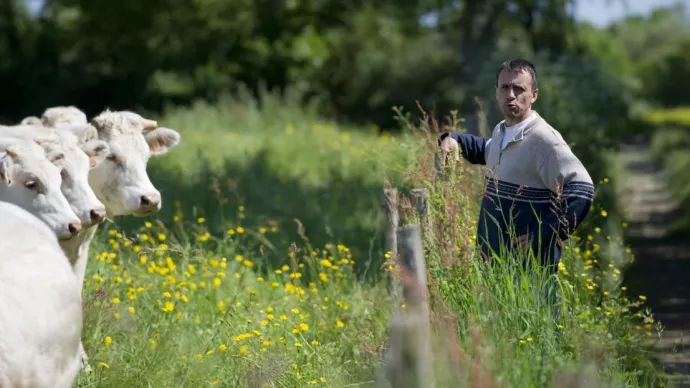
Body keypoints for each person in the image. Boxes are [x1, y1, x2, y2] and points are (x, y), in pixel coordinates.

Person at [438, 58, 594, 276]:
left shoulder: (545, 141)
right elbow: (485, 149)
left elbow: (582, 191)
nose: (511, 94)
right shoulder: (501, 131)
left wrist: (541, 235)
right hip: (492, 272)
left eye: (519, 88)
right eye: (505, 87)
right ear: (496, 93)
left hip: (531, 274)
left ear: (533, 95)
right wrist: (452, 138)